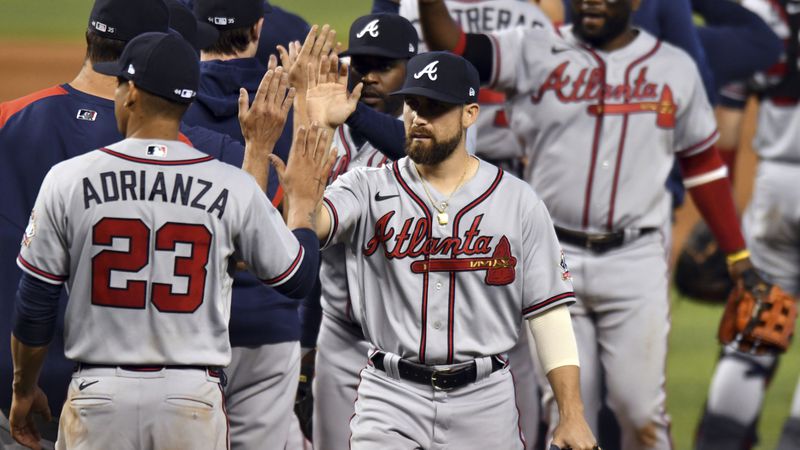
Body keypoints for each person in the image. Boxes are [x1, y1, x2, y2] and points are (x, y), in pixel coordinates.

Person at [416, 0, 763, 448]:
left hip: (636, 259)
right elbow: (455, 45)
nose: (592, 2)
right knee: (566, 412)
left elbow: (702, 163)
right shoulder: (534, 49)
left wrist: (736, 253)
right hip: (553, 258)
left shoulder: (674, 68)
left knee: (640, 412)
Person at [8, 31, 326, 450]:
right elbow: (297, 281)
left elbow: (36, 303)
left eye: (120, 84)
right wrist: (302, 205)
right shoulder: (232, 185)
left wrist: (24, 387)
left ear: (132, 93)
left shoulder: (69, 178)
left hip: (100, 399)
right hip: (191, 402)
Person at [277, 50, 598, 450]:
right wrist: (319, 127)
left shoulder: (518, 202)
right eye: (414, 104)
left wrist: (572, 414)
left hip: (484, 402)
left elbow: (548, 312)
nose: (420, 118)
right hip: (390, 394)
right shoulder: (366, 186)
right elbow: (311, 222)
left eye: (437, 108)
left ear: (470, 114)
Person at [301, 13, 418, 449]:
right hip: (341, 335)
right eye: (361, 65)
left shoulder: (436, 127)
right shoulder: (327, 137)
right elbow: (313, 246)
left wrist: (349, 115)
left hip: (414, 347)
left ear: (412, 66)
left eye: (383, 67)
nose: (368, 78)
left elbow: (412, 150)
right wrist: (305, 341)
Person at [693, 1, 800, 448]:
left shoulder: (761, 10)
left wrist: (726, 226)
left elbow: (729, 124)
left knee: (756, 331)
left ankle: (717, 442)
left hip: (777, 187)